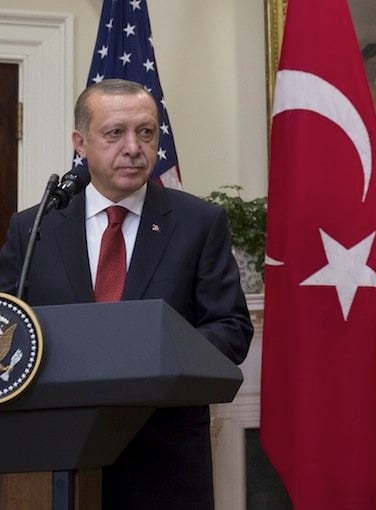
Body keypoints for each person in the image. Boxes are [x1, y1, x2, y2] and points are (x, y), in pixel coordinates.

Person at [0, 79, 253, 509]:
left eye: (146, 132)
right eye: (115, 132)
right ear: (80, 143)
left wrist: (154, 353)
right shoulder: (35, 228)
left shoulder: (198, 223)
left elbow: (231, 330)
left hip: (163, 461)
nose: (134, 147)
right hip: (53, 461)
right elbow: (7, 327)